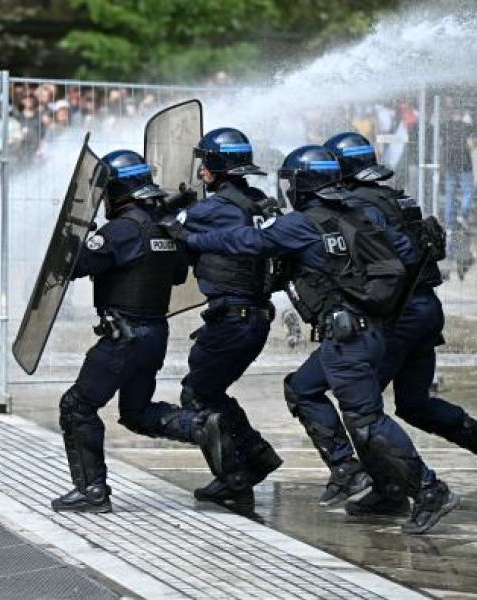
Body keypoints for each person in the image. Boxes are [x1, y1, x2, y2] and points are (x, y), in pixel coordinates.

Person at [164, 145, 459, 534]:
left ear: (302, 184)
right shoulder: (356, 212)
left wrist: (188, 236)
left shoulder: (302, 224)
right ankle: (364, 477)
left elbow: (245, 241)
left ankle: (428, 489)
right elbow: (405, 253)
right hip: (370, 328)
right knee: (314, 393)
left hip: (347, 336)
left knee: (367, 420)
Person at [324, 131, 476, 516]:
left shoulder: (361, 205)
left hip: (401, 314)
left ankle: (404, 488)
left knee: (362, 407)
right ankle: (391, 485)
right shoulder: (397, 197)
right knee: (414, 404)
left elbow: (398, 258)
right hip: (425, 307)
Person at [51, 150, 195, 513]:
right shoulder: (165, 228)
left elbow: (76, 265)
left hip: (124, 339)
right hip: (154, 335)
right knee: (137, 412)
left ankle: (92, 491)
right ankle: (205, 426)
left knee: (77, 406)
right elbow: (178, 274)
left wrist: (71, 236)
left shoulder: (122, 230)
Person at [165, 128, 283, 504]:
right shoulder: (258, 201)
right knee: (211, 391)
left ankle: (234, 479)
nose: (201, 172)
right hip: (254, 316)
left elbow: (170, 228)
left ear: (218, 166)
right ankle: (256, 455)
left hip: (235, 317)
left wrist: (170, 206)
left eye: (205, 164)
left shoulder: (215, 208)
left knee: (196, 396)